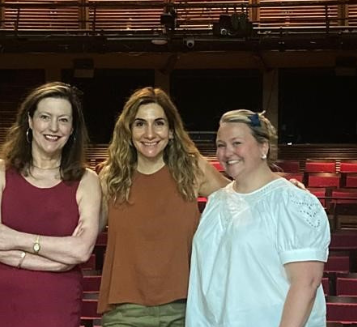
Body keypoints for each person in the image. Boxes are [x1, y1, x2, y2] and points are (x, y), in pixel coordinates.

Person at [97, 87, 228, 326]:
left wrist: (285, 190)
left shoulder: (191, 169)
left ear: (171, 131)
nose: (149, 133)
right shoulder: (110, 177)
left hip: (184, 308)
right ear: (128, 131)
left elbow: (243, 198)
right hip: (124, 312)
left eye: (158, 123)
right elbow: (83, 232)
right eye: (140, 124)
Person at [187, 109, 331, 327]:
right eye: (221, 145)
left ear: (263, 147)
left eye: (237, 143)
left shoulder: (291, 201)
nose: (227, 152)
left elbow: (307, 283)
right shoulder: (216, 202)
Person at [0, 82, 102, 327]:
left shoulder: (87, 180)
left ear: (73, 128)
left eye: (63, 120)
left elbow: (81, 251)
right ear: (30, 121)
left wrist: (14, 239)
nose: (53, 128)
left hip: (57, 301)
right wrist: (59, 260)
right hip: (0, 299)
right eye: (45, 117)